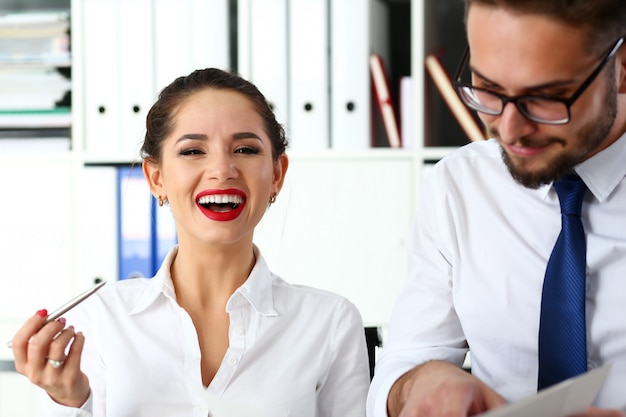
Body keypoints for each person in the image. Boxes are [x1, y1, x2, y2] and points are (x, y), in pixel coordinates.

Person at [9, 68, 370, 416]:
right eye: (193, 151)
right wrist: (70, 401)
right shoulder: (98, 320)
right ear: (156, 178)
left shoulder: (331, 323)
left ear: (277, 174)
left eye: (245, 149)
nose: (222, 170)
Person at [367, 1, 626, 416]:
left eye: (544, 97)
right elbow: (406, 361)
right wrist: (421, 385)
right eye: (486, 88)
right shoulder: (459, 185)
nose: (509, 129)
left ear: (622, 68)